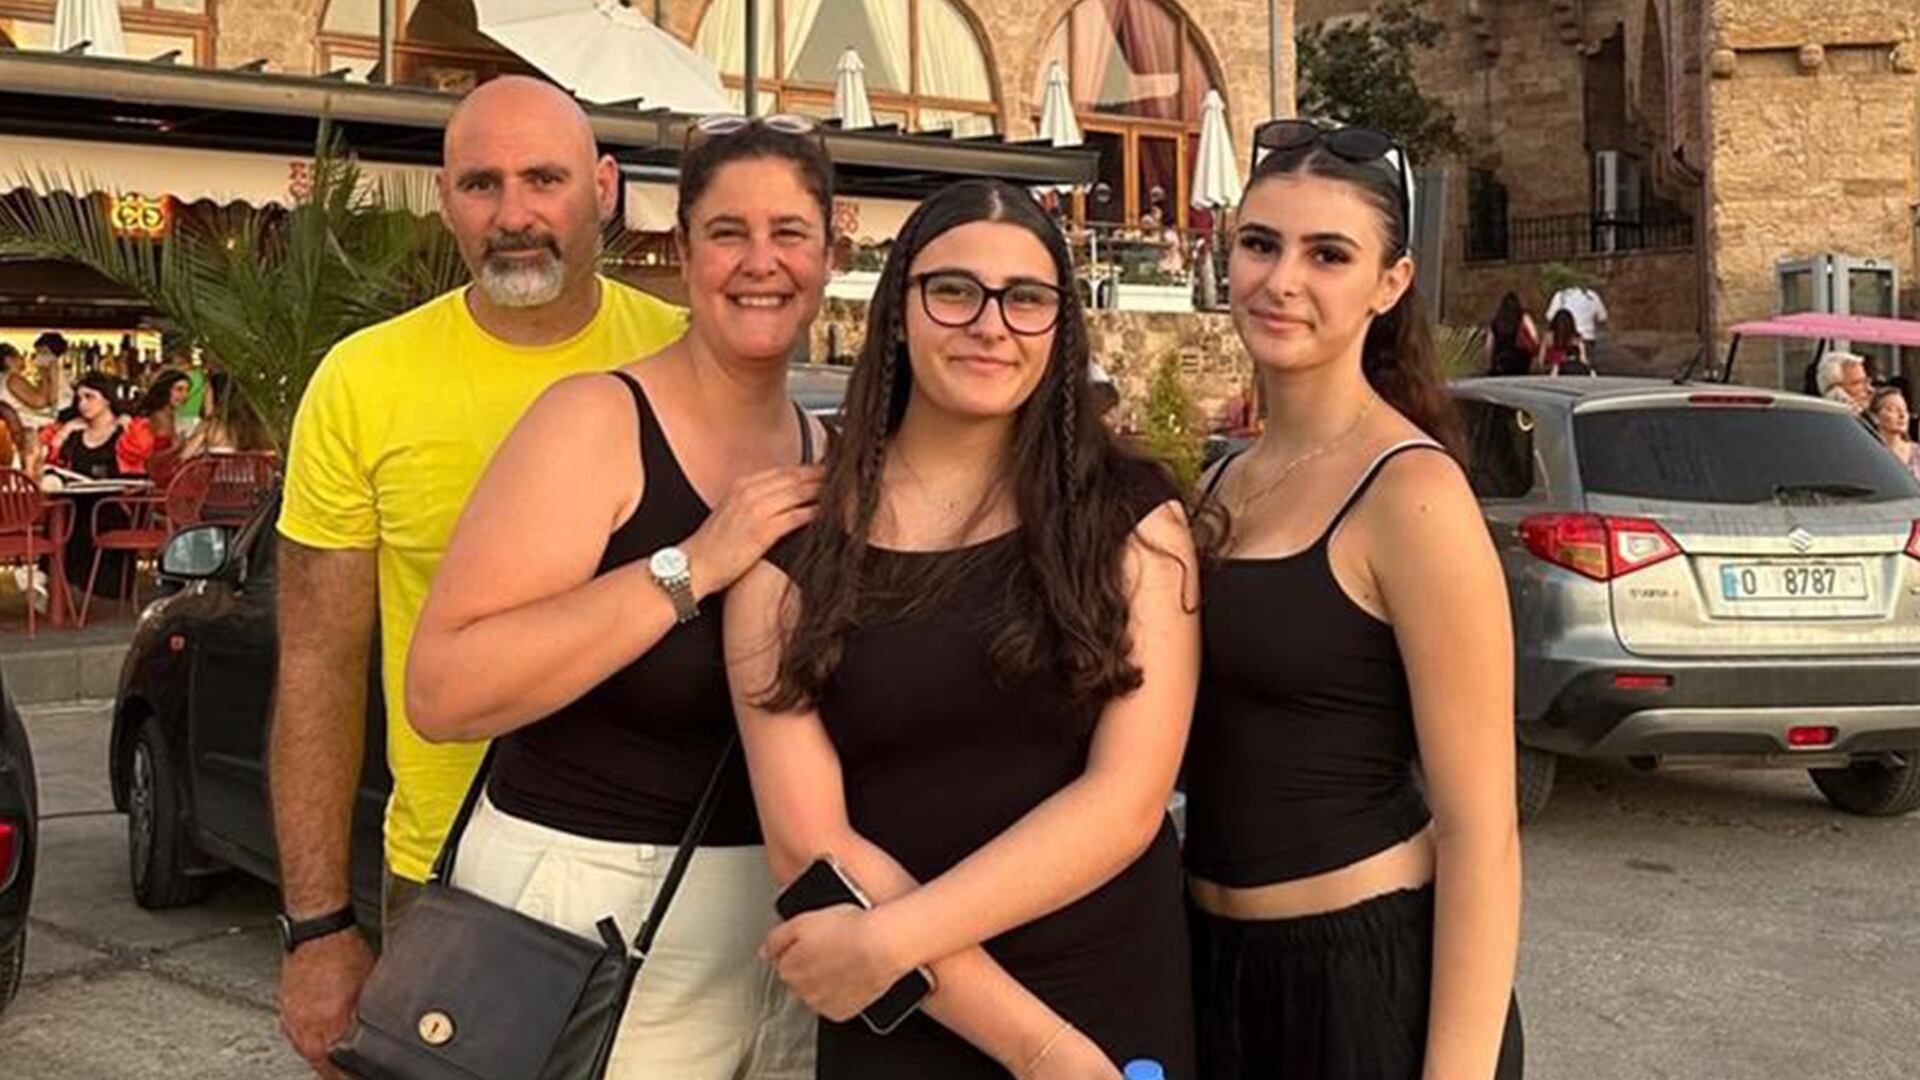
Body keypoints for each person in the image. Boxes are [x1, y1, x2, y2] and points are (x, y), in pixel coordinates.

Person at [725, 179, 1200, 1079]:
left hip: (1097, 994)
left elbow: (1126, 802)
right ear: (898, 313)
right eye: (953, 291)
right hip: (902, 1015)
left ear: (1060, 327)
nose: (991, 325)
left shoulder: (1130, 521)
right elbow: (808, 844)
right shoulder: (789, 550)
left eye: (1026, 299)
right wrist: (1042, 1054)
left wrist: (892, 939)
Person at [269, 76, 686, 1080]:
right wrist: (317, 926)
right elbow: (320, 664)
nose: (514, 215)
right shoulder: (364, 380)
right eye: (481, 184)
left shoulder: (688, 354)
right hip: (452, 878)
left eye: (544, 179)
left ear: (604, 188)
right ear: (444, 200)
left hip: (681, 867)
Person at [404, 114, 834, 1079]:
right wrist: (692, 567)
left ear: (828, 255)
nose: (759, 262)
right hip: (581, 912)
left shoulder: (827, 455)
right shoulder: (595, 420)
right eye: (726, 233)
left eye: (789, 233)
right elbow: (442, 691)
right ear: (681, 253)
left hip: (776, 929)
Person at [1184, 118, 1523, 1080]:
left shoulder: (1412, 494)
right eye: (1260, 244)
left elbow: (1481, 832)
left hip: (1363, 987)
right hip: (1213, 975)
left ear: (1390, 282)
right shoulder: (1222, 483)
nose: (1281, 280)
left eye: (1328, 255)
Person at [35, 373, 136, 478]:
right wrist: (64, 432)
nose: (82, 404)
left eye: (89, 397)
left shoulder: (127, 429)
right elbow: (49, 465)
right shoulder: (72, 431)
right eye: (79, 399)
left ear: (107, 399)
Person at [179, 372, 275, 457]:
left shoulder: (211, 428)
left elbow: (184, 458)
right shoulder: (259, 429)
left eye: (207, 393)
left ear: (216, 397)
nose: (204, 398)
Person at [124, 370, 192, 482]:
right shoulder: (160, 418)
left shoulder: (167, 414)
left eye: (187, 390)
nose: (185, 395)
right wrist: (179, 447)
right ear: (166, 390)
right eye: (179, 390)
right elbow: (154, 459)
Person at [1868, 387, 1920, 483]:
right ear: (1875, 417)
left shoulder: (1917, 453)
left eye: (1905, 409)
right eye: (1893, 410)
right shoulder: (1869, 454)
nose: (1902, 415)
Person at [1484, 291, 1538, 377]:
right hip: (1521, 359)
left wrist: (1490, 363)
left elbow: (1489, 345)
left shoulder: (1496, 321)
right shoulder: (1523, 317)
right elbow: (1534, 337)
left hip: (1501, 360)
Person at [1544, 280, 1606, 355]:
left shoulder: (1561, 295)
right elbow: (1602, 317)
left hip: (1564, 337)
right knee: (1586, 358)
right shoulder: (1592, 296)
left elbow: (1549, 317)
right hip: (1587, 337)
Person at [1538, 309, 1592, 376]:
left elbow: (1540, 360)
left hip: (1551, 371)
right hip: (1571, 371)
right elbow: (1583, 360)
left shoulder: (1548, 337)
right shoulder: (1576, 339)